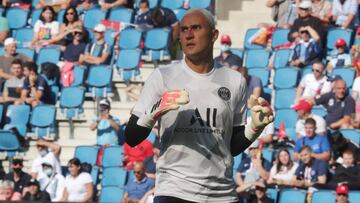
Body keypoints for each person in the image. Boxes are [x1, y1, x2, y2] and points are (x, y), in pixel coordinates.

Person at [124, 8, 273, 203]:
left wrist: (253, 129)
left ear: (214, 35)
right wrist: (152, 114)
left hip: (222, 195)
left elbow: (232, 147)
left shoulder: (235, 81)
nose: (188, 34)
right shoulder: (163, 77)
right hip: (174, 191)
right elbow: (132, 137)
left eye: (196, 28)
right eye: (184, 29)